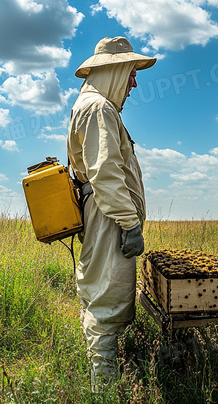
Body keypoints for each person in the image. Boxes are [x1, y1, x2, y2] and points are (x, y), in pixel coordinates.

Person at [66, 36, 156, 391]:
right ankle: (103, 391)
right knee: (107, 303)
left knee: (101, 293)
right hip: (108, 217)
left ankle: (102, 381)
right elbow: (104, 172)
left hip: (103, 214)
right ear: (115, 68)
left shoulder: (93, 107)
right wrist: (130, 223)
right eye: (132, 72)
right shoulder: (98, 108)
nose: (134, 82)